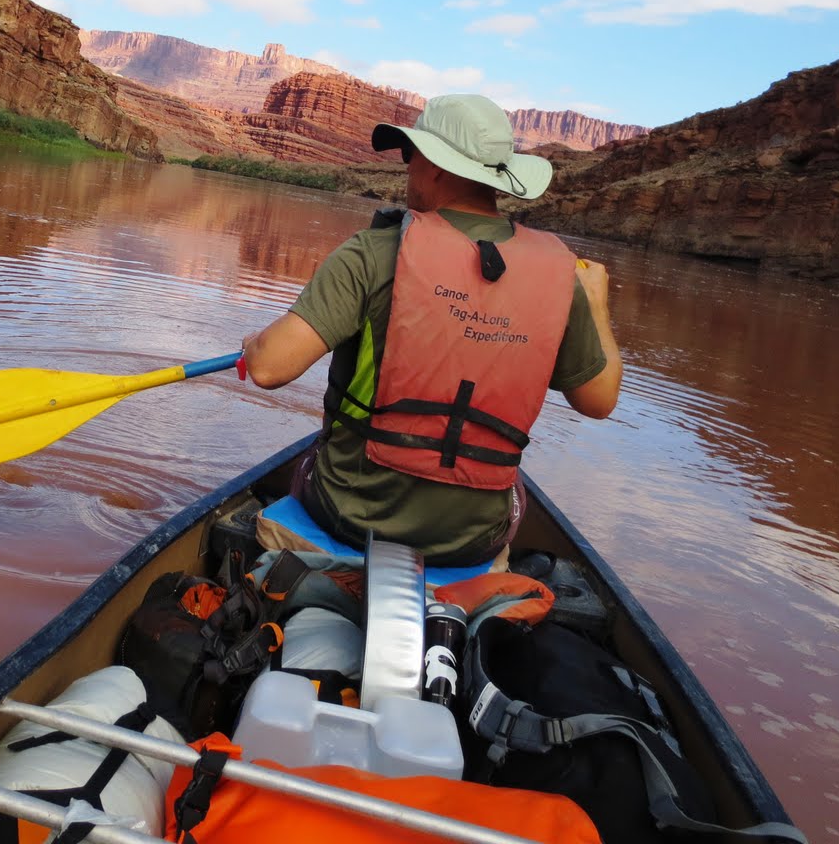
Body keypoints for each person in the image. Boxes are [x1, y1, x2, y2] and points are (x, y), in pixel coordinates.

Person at [241, 93, 622, 567]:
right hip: (472, 540)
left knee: (306, 466)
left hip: (350, 519)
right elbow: (599, 401)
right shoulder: (563, 275)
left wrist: (252, 345)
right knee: (515, 489)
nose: (407, 167)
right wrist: (597, 303)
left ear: (438, 166)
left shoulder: (373, 252)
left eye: (411, 154)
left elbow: (268, 368)